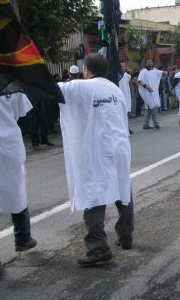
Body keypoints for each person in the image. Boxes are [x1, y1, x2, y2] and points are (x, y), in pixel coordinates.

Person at [58, 53, 134, 265]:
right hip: (118, 148)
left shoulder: (81, 87)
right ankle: (126, 236)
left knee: (93, 193)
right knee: (122, 190)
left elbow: (50, 90)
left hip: (97, 150)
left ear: (86, 70)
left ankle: (98, 247)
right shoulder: (114, 90)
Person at [0, 73, 37, 284]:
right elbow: (19, 113)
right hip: (7, 143)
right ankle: (23, 237)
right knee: (16, 190)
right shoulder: (7, 77)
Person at [137, 58, 162, 130]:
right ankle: (156, 123)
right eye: (147, 62)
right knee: (153, 107)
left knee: (149, 109)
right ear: (145, 64)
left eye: (150, 62)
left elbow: (162, 73)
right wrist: (146, 87)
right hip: (147, 93)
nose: (149, 63)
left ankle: (145, 124)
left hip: (154, 93)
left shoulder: (155, 71)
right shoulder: (143, 72)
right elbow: (139, 81)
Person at [119, 62, 133, 133]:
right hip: (119, 97)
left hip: (126, 96)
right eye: (121, 66)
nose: (123, 68)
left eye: (124, 66)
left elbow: (130, 77)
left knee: (126, 114)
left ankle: (127, 127)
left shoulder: (126, 75)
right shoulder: (117, 76)